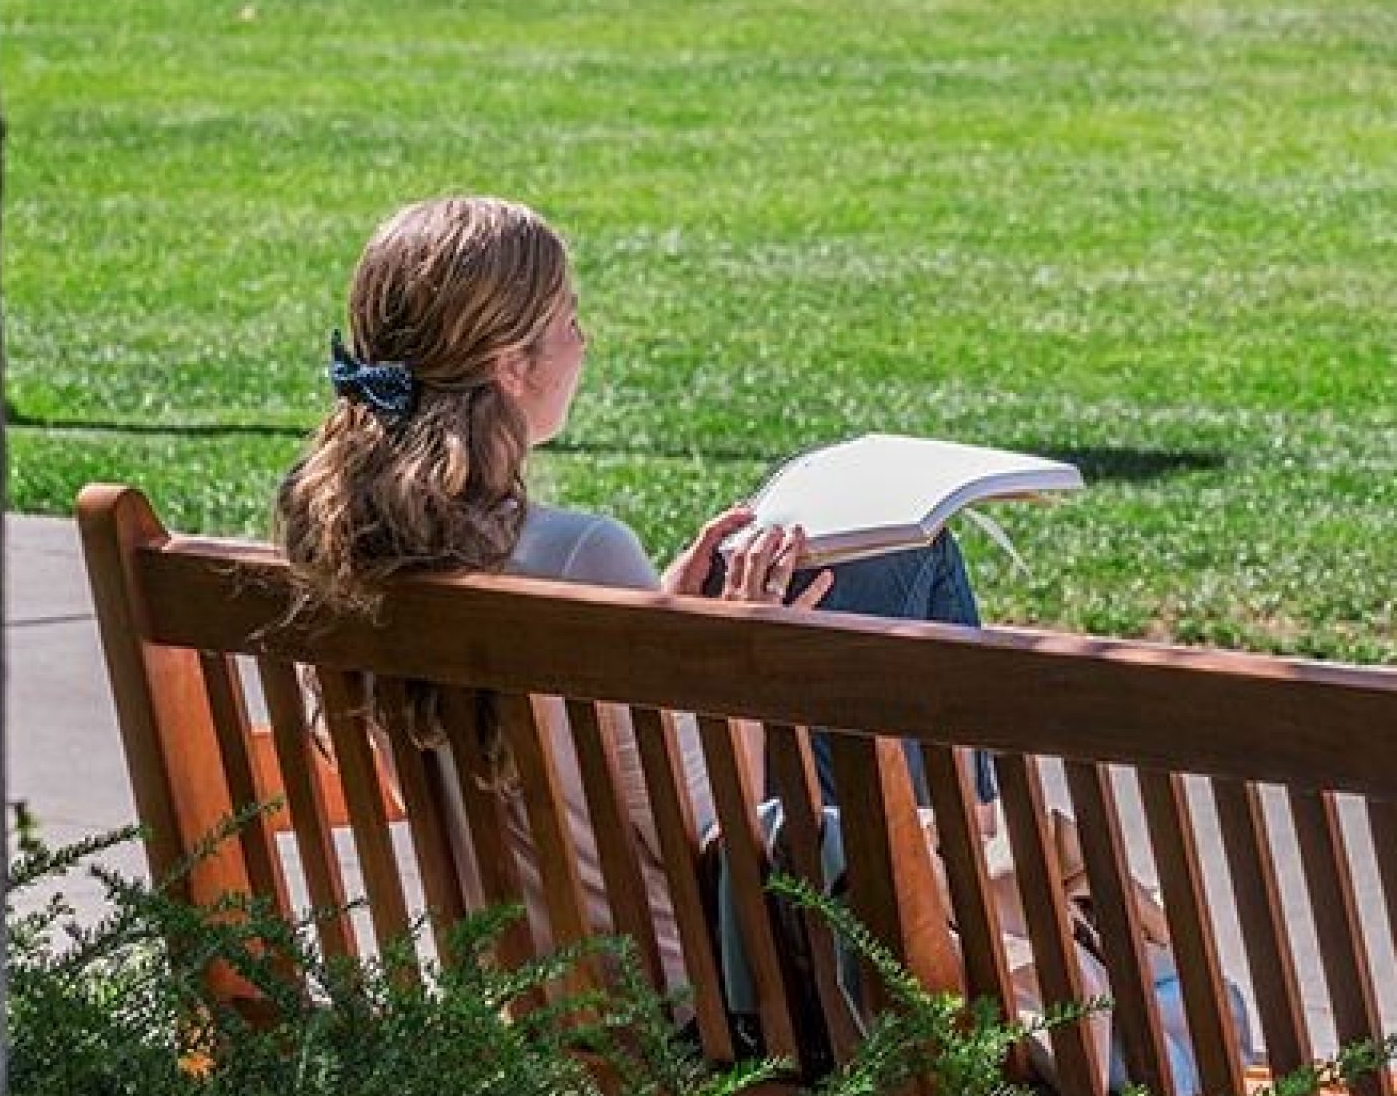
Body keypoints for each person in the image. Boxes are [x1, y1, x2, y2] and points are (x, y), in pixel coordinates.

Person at [273, 193, 984, 982]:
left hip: (511, 979)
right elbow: (717, 834)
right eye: (570, 322)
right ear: (511, 367)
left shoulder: (347, 546)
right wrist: (732, 653)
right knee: (908, 566)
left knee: (867, 579)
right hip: (697, 1001)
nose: (585, 342)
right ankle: (988, 931)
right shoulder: (582, 555)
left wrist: (660, 621)